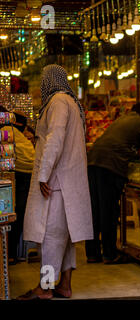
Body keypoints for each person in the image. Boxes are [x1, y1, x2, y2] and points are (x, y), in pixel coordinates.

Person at [17, 64, 93, 300]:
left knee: (50, 236)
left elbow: (55, 139)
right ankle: (64, 285)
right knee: (66, 237)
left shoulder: (58, 101)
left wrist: (43, 174)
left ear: (49, 80)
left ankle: (46, 287)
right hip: (67, 182)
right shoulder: (70, 102)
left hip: (56, 182)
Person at [85, 102, 140, 264]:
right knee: (108, 211)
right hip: (110, 166)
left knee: (95, 211)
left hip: (93, 161)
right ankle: (110, 254)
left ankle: (92, 253)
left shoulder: (121, 120)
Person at [1, 111, 35, 265]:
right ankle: (13, 254)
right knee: (18, 214)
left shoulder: (5, 131)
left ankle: (10, 255)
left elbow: (6, 160)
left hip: (18, 175)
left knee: (10, 214)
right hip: (29, 174)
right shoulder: (19, 134)